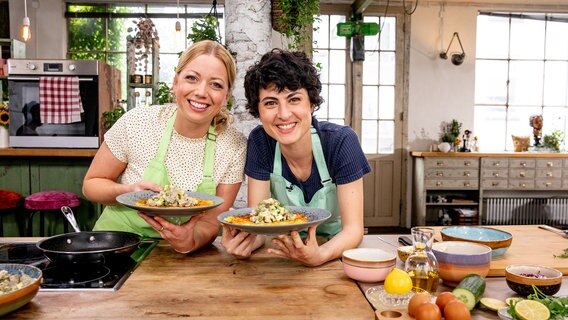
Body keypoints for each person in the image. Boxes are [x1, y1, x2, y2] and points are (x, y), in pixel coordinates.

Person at [83, 40, 247, 254]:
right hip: (116, 245)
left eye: (215, 84)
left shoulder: (233, 145)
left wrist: (190, 241)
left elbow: (210, 222)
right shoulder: (138, 122)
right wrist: (127, 191)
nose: (201, 91)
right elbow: (91, 185)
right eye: (192, 78)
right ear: (175, 82)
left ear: (226, 96)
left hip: (185, 258)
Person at [220, 49, 371, 266]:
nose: (283, 114)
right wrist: (245, 243)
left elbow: (353, 230)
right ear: (258, 110)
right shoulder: (261, 142)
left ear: (311, 103)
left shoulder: (341, 142)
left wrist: (320, 255)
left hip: (336, 254)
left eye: (294, 99)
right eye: (271, 103)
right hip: (282, 253)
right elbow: (261, 228)